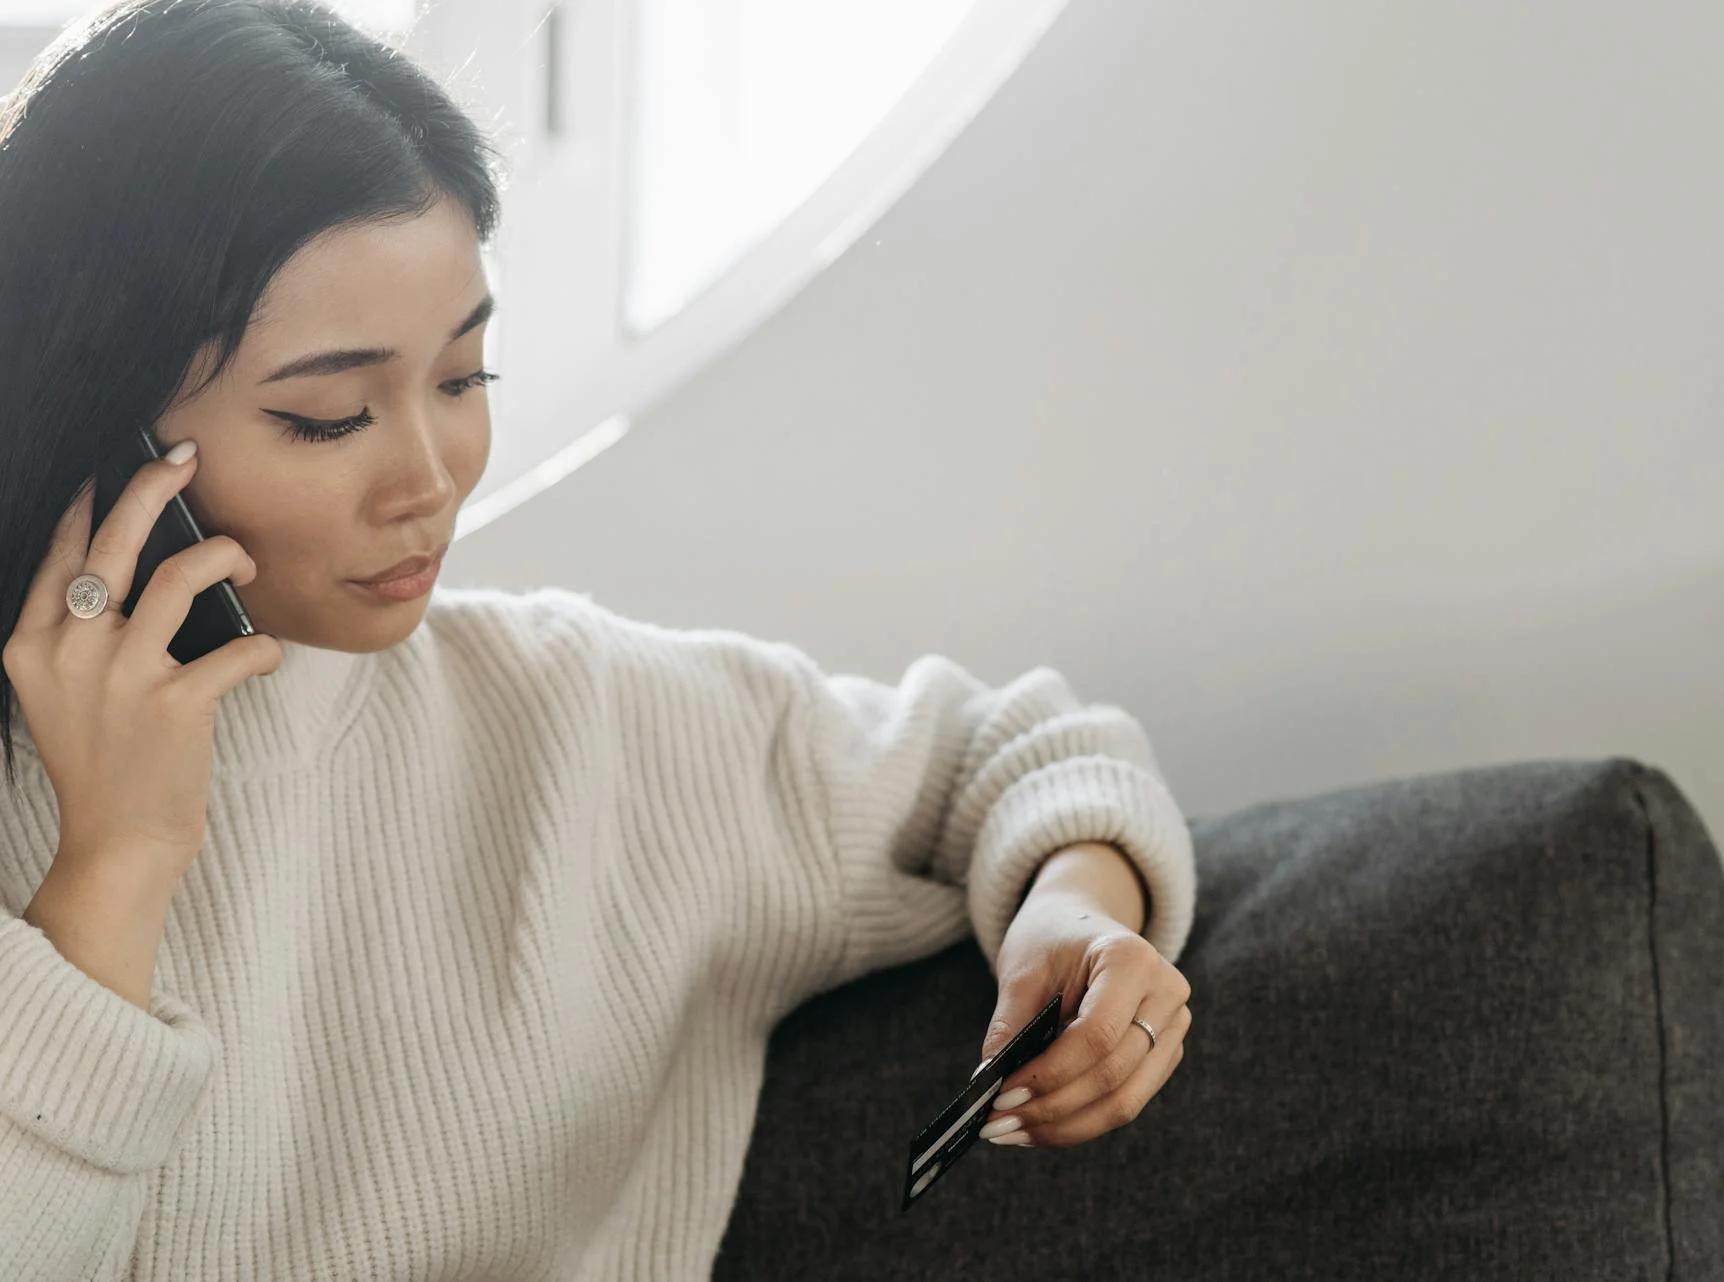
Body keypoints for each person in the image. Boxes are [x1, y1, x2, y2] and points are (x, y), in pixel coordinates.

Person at [0, 2, 1197, 1277]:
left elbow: (1015, 751)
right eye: (330, 416)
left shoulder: (574, 719)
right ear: (97, 421)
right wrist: (114, 866)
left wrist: (1078, 916)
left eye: (463, 379)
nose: (430, 479)